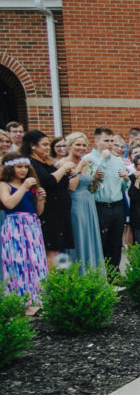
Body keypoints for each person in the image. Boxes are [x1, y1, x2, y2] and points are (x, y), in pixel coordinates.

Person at [1, 152, 48, 308]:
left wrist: (40, 200)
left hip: (32, 226)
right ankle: (20, 301)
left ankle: (37, 299)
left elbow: (38, 212)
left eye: (25, 167)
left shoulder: (30, 187)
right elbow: (9, 203)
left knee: (35, 261)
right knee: (18, 262)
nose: (23, 170)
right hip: (14, 226)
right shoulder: (4, 185)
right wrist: (24, 187)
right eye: (19, 167)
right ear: (10, 168)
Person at [23, 130, 75, 268]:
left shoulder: (47, 163)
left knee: (58, 250)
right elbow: (48, 181)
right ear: (33, 145)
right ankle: (52, 280)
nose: (47, 148)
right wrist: (63, 168)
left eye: (48, 144)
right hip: (48, 212)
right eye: (44, 144)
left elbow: (63, 182)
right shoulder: (31, 163)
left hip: (60, 213)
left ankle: (59, 277)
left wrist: (66, 173)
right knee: (51, 250)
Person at [86, 128, 131, 270]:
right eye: (106, 140)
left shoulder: (118, 161)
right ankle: (101, 273)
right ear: (96, 141)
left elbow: (123, 186)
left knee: (116, 242)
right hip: (100, 205)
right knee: (102, 242)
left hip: (117, 205)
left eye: (112, 141)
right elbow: (91, 182)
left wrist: (126, 179)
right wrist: (103, 159)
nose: (110, 144)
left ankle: (114, 273)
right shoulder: (89, 159)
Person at [64, 132, 105, 271]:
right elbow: (71, 187)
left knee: (89, 237)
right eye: (78, 144)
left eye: (84, 145)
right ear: (69, 146)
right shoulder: (64, 163)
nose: (81, 148)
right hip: (75, 203)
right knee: (79, 236)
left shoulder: (87, 164)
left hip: (89, 202)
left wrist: (96, 179)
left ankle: (92, 271)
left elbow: (91, 189)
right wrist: (80, 166)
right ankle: (79, 272)